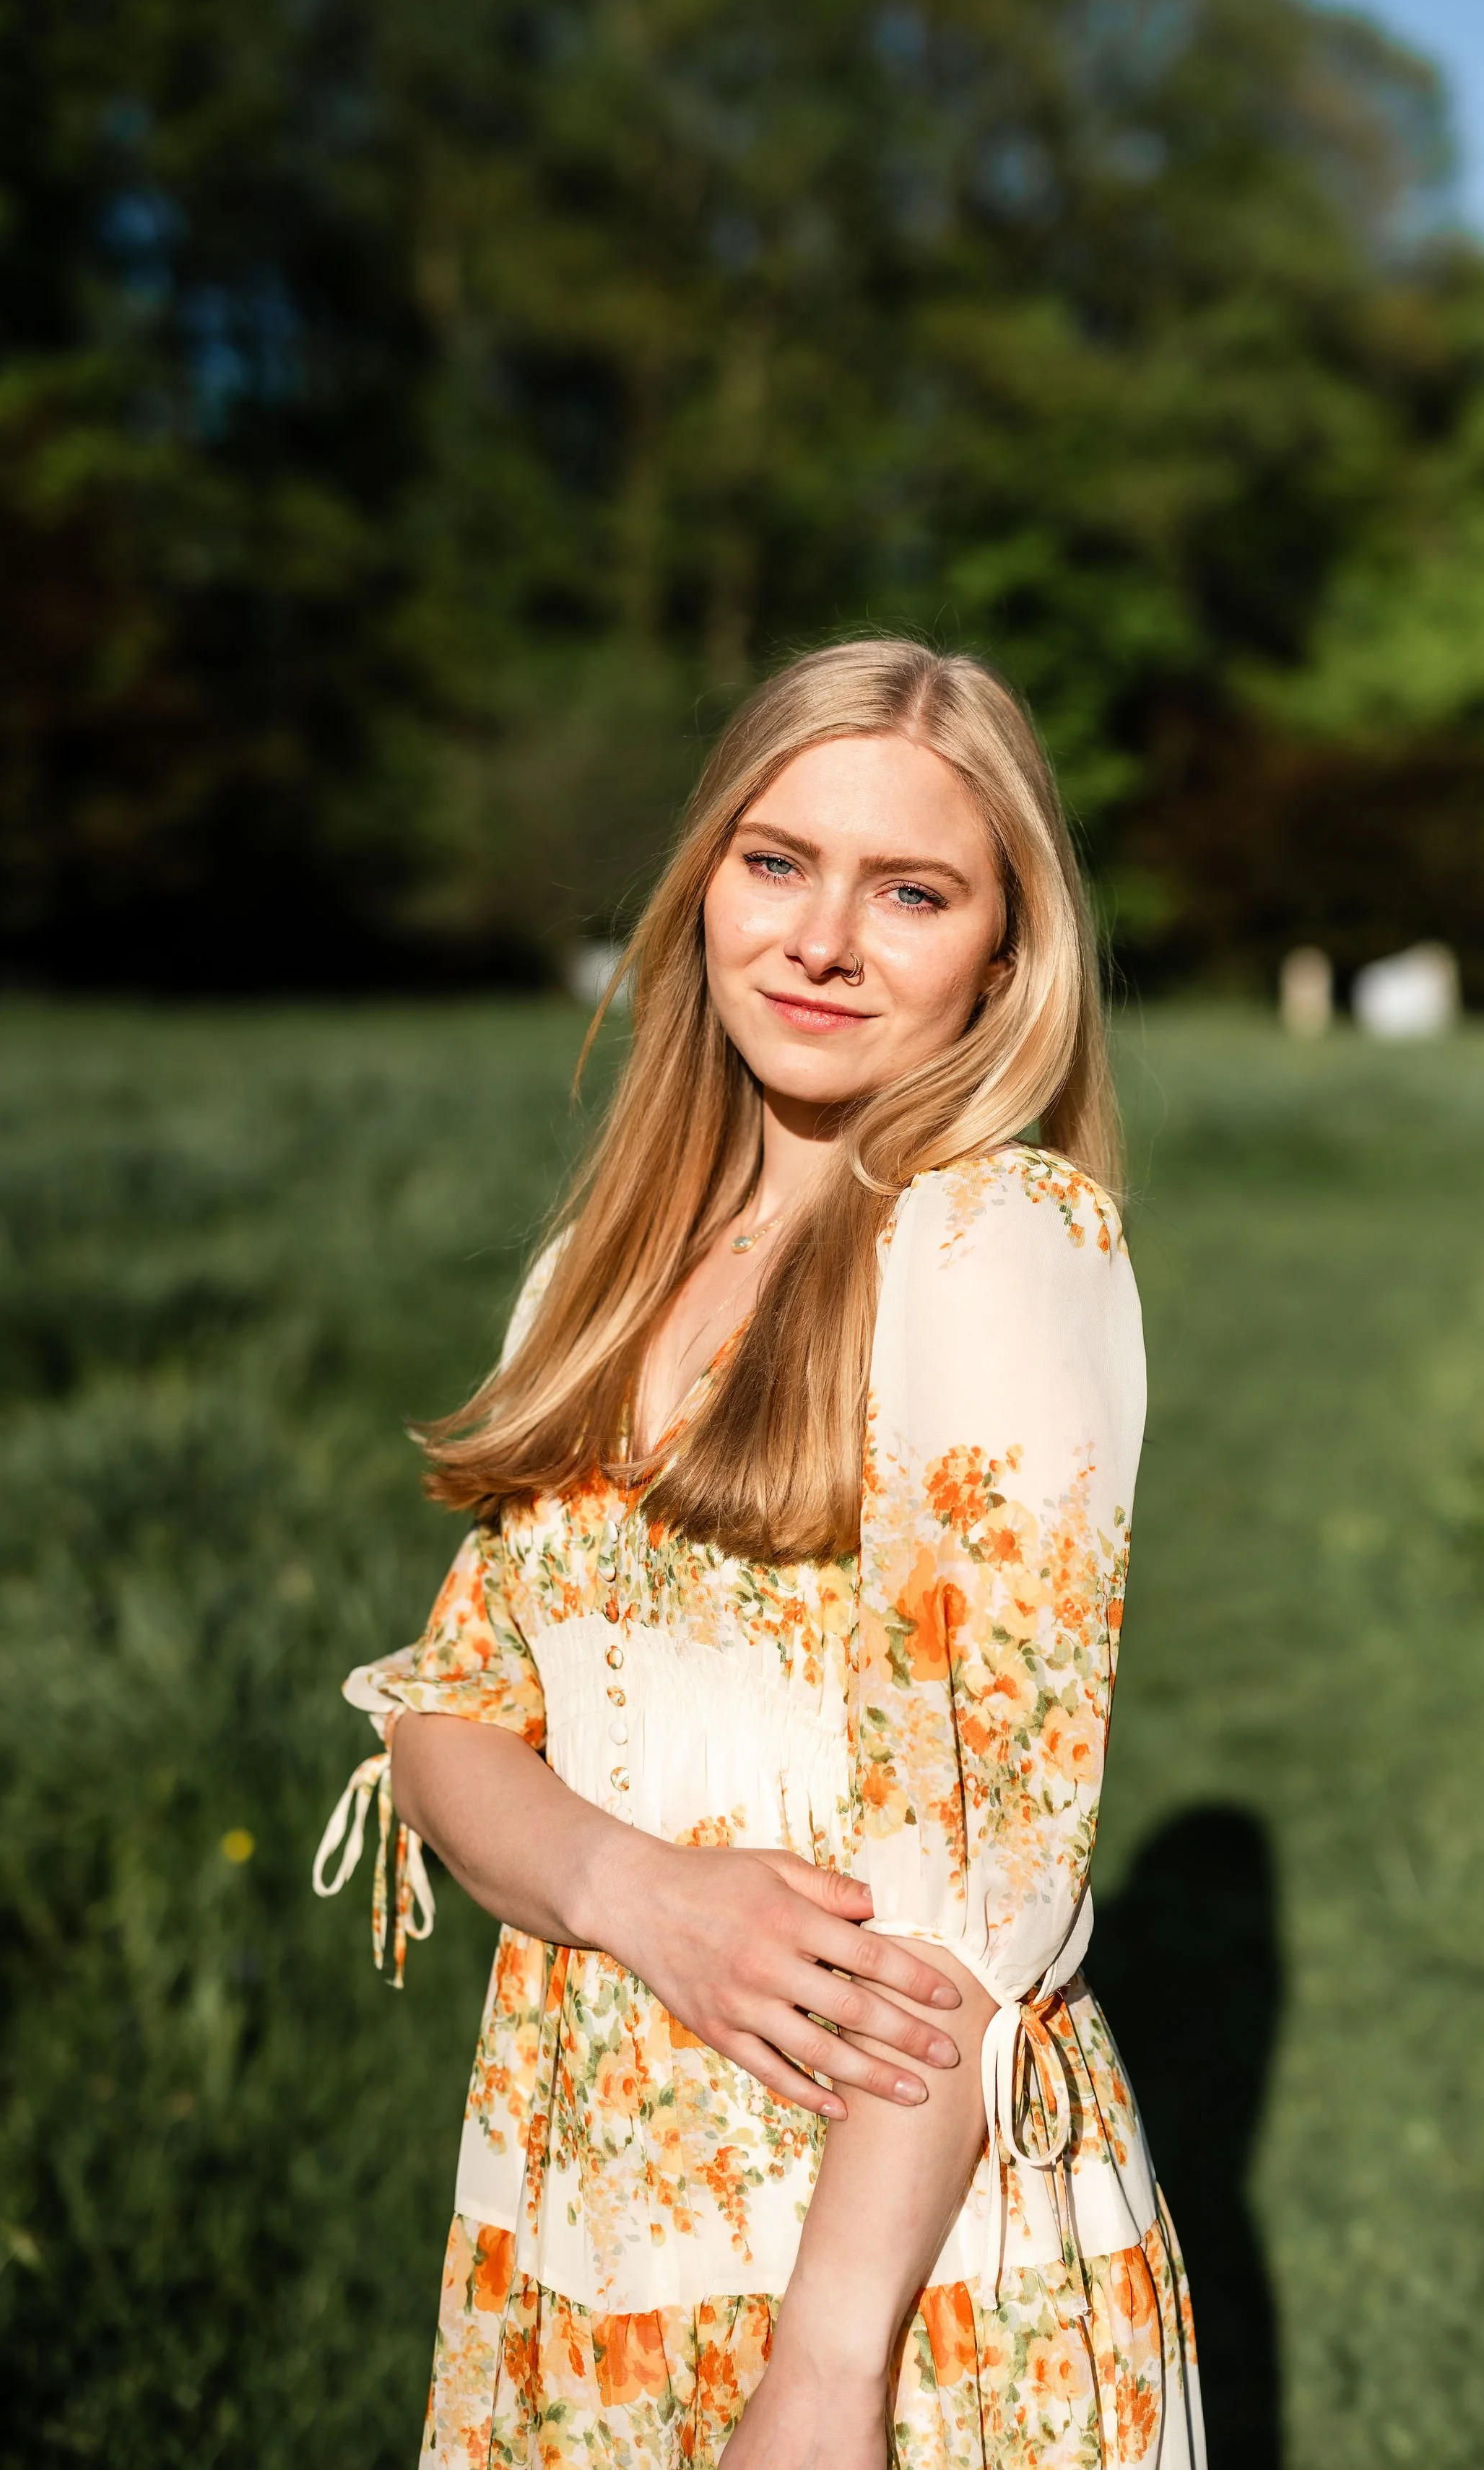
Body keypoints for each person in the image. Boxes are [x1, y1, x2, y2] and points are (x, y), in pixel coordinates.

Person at [313, 639, 1202, 2468]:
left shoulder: (990, 1241)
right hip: (577, 2228)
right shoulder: (601, 1274)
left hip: (879, 2265)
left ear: (1005, 956)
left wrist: (823, 2376)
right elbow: (445, 1720)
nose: (820, 939)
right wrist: (645, 1895)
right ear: (704, 879)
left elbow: (978, 1876)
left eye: (913, 892)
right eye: (776, 861)